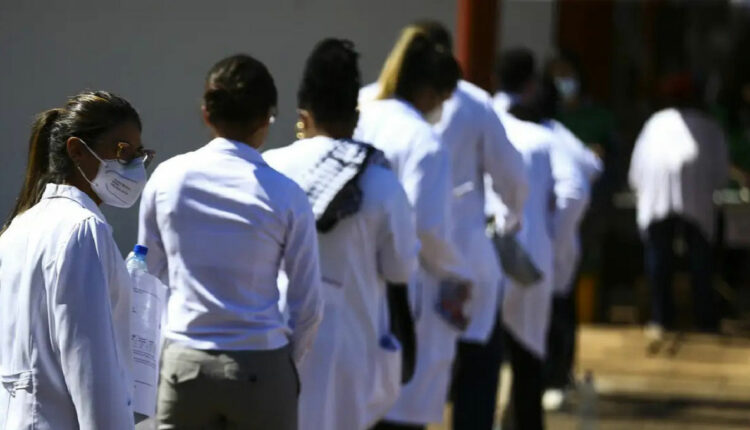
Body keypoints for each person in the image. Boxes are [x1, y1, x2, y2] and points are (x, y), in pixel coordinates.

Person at [138, 54, 323, 430]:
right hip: (261, 361)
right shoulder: (285, 194)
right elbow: (308, 305)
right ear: (266, 118)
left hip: (185, 360)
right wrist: (287, 364)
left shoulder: (167, 178)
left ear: (206, 112)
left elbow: (149, 267)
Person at [263, 39, 419, 430]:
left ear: (303, 114)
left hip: (272, 341)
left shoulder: (266, 170)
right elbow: (401, 269)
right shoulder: (382, 182)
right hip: (350, 347)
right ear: (354, 116)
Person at [0, 91, 153, 429]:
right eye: (122, 151)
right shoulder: (83, 229)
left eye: (140, 154)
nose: (134, 166)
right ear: (77, 151)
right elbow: (91, 371)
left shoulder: (18, 228)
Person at [356, 25, 472, 430]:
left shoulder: (361, 112)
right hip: (403, 292)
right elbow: (427, 230)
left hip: (350, 283)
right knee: (400, 407)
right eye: (443, 98)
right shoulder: (423, 140)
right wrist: (460, 270)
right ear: (430, 92)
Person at [489, 48, 578, 430]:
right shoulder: (547, 139)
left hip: (488, 249)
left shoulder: (488, 125)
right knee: (527, 356)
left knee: (482, 356)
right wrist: (556, 244)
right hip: (530, 253)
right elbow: (575, 191)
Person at [629, 74, 729, 337]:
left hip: (657, 198)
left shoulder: (654, 124)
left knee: (660, 258)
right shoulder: (709, 126)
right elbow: (721, 174)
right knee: (699, 259)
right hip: (696, 199)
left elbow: (636, 171)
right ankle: (704, 319)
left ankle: (662, 318)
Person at [536, 76, 602, 410]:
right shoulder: (559, 136)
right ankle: (552, 377)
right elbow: (592, 166)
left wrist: (555, 233)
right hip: (551, 239)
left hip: (551, 239)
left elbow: (579, 186)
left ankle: (557, 377)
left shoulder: (549, 136)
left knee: (556, 311)